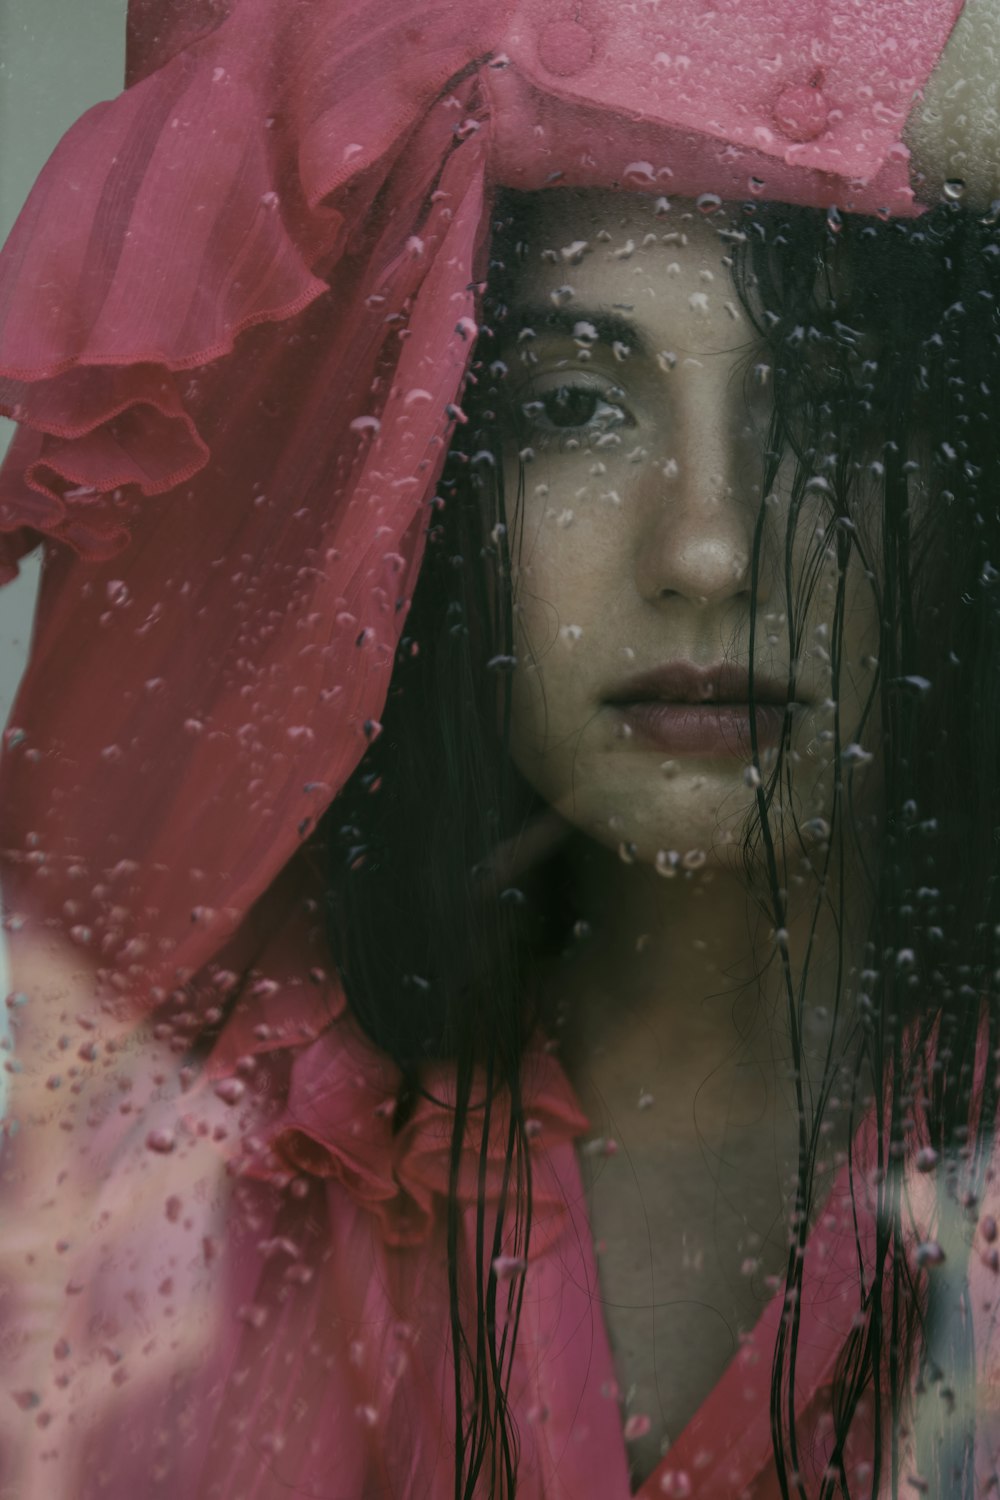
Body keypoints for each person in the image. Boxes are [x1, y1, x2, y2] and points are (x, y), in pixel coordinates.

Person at [0, 0, 998, 1496]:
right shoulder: (188, 1199)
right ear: (413, 480)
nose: (713, 546)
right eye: (576, 407)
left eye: (839, 414)